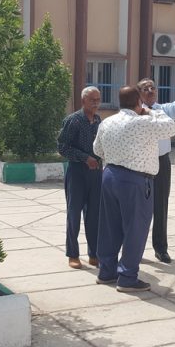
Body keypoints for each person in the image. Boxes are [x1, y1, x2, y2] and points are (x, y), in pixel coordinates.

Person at [94, 86, 175, 292]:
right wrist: (151, 111)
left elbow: (97, 149)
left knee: (109, 226)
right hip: (135, 180)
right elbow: (171, 128)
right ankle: (127, 277)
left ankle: (106, 271)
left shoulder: (107, 122)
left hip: (110, 176)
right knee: (135, 228)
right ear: (139, 102)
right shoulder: (143, 122)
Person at [137, 75, 175, 264]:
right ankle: (135, 248)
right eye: (145, 88)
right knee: (139, 208)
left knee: (161, 205)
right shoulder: (135, 113)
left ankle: (161, 249)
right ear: (139, 94)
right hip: (141, 163)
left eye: (152, 87)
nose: (150, 91)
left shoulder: (163, 110)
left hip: (162, 162)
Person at [56, 87, 103, 269]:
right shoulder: (73, 120)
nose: (96, 103)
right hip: (77, 172)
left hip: (96, 173)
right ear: (83, 101)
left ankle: (94, 254)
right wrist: (85, 158)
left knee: (94, 215)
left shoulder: (98, 121)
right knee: (74, 214)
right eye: (92, 100)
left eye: (98, 99)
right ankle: (73, 254)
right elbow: (62, 147)